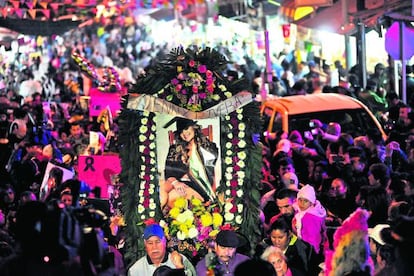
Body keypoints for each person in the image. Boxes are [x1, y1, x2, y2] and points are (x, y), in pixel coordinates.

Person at [161, 117, 218, 209]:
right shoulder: (174, 149)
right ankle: (154, 217)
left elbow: (208, 170)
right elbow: (168, 171)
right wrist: (175, 182)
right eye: (181, 131)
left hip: (197, 186)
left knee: (172, 197)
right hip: (177, 182)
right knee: (160, 186)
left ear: (194, 127)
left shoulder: (207, 148)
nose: (184, 134)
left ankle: (159, 218)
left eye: (186, 128)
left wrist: (188, 171)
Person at [128, 224, 196, 276]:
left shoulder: (181, 260)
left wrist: (180, 268)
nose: (154, 247)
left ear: (165, 241)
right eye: (150, 243)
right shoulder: (135, 270)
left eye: (158, 242)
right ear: (145, 244)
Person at [292, 184, 326, 255]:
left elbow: (312, 241)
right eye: (300, 200)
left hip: (308, 251)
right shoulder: (300, 211)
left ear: (311, 203)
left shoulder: (310, 217)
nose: (302, 203)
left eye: (305, 201)